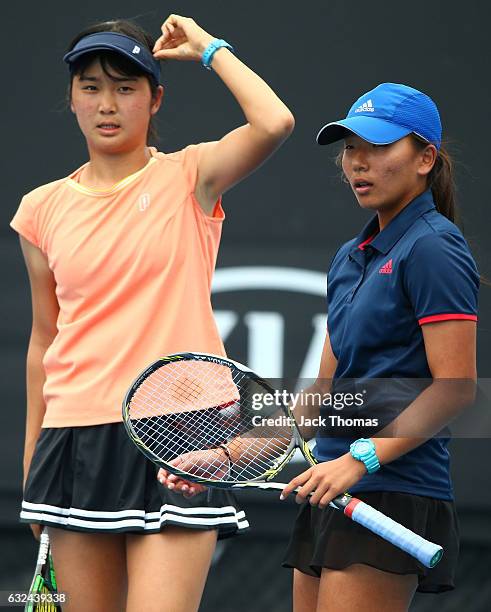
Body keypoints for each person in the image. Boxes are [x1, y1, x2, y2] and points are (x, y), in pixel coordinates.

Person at [11, 14, 294, 612]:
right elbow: (44, 341)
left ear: (154, 97)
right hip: (72, 440)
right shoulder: (39, 210)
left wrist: (209, 48)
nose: (107, 103)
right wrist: (33, 456)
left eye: (125, 86)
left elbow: (275, 122)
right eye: (91, 86)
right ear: (71, 97)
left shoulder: (192, 175)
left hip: (182, 431)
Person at [159, 83, 479, 611]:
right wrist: (225, 457)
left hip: (392, 493)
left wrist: (361, 460)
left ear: (426, 159)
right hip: (333, 491)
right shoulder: (349, 256)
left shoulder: (435, 248)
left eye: (378, 148)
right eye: (350, 148)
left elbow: (456, 388)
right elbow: (321, 399)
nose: (358, 162)